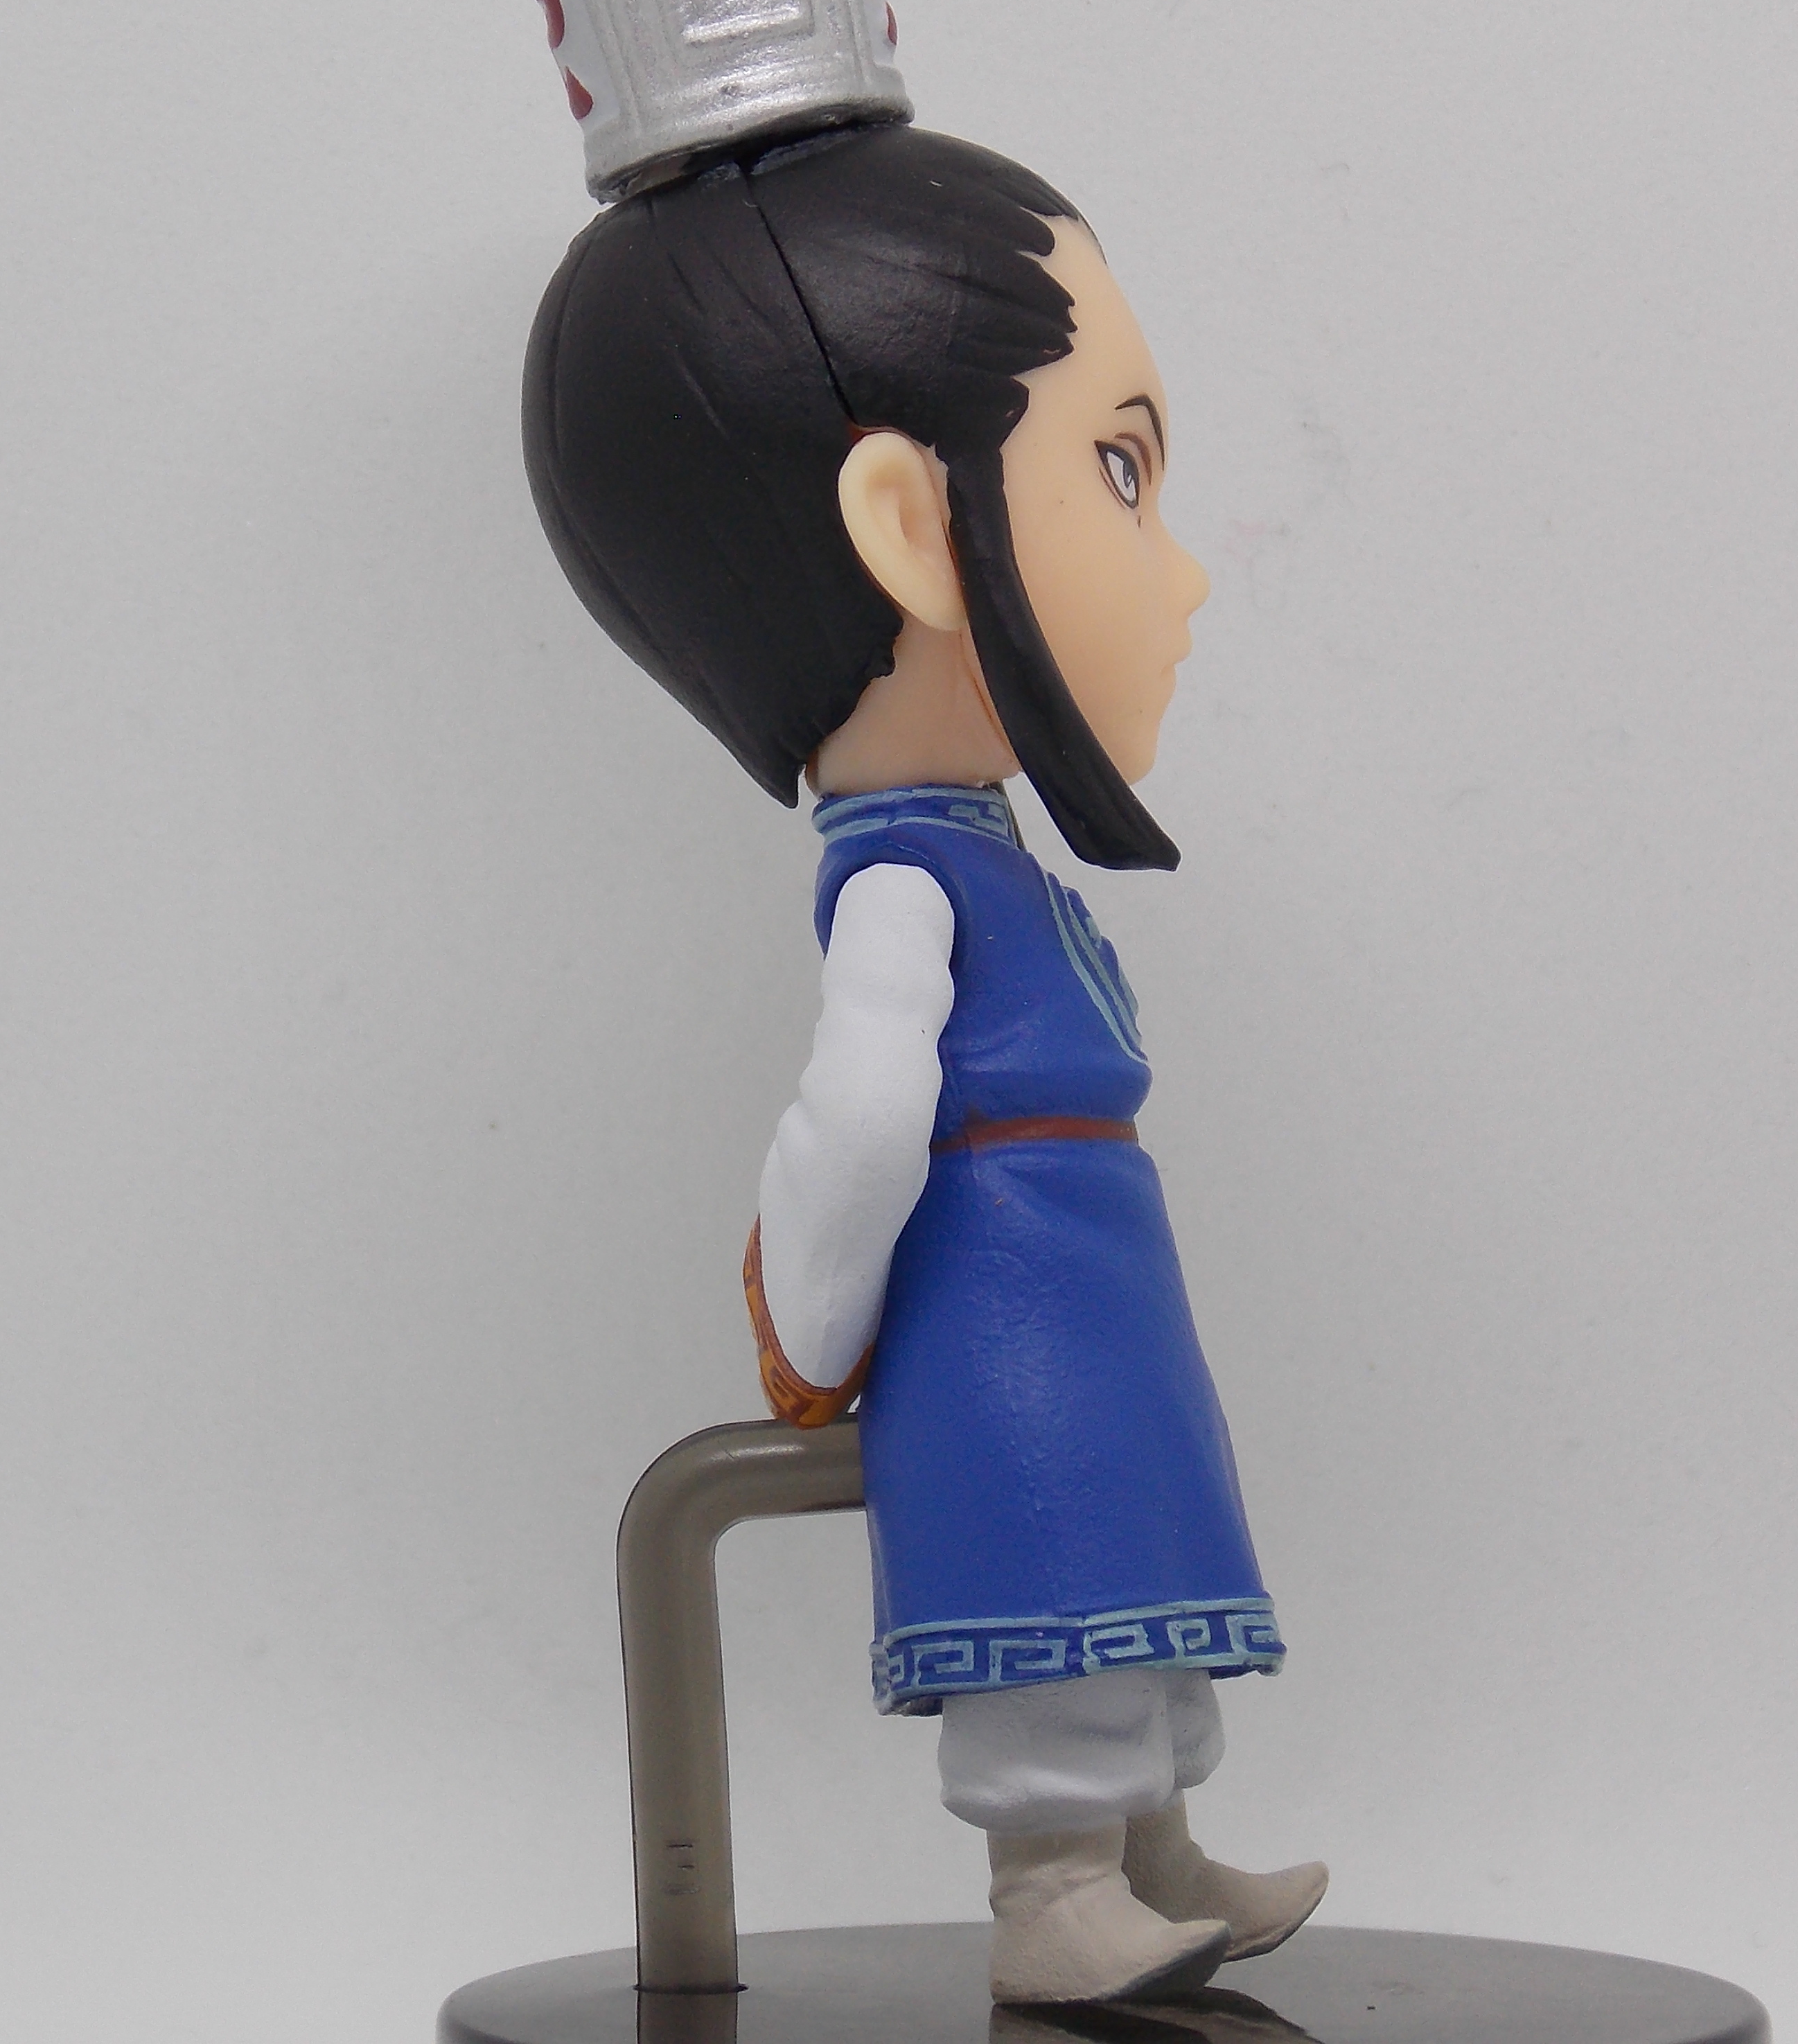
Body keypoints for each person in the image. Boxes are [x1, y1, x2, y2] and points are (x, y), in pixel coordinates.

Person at [523, 118, 1329, 2005]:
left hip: (1091, 1284)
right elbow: (865, 1113)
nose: (1185, 574)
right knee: (1056, 1587)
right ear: (906, 527)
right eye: (1119, 469)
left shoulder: (991, 858)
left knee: (1136, 1577)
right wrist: (813, 1327)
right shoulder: (898, 881)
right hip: (1007, 1314)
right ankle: (1057, 1892)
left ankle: (1156, 1851)